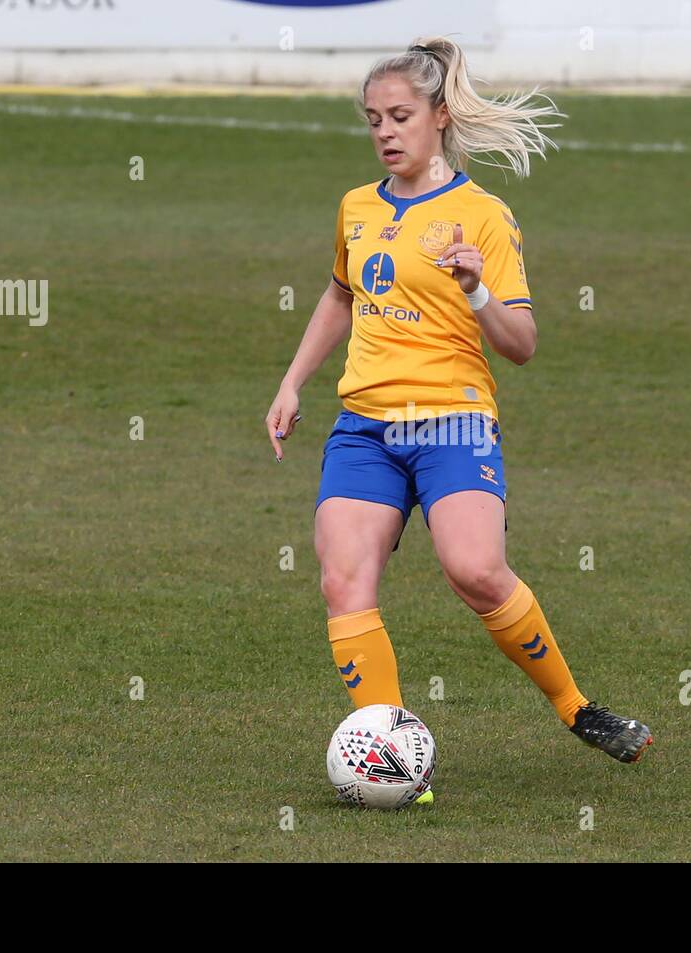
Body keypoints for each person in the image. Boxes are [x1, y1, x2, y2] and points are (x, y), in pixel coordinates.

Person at [265, 37, 652, 775]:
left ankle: (576, 707)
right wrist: (292, 381)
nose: (384, 131)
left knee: (475, 570)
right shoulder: (355, 208)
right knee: (343, 578)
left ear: (439, 117)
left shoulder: (483, 216)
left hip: (452, 421)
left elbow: (523, 343)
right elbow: (341, 292)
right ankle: (387, 754)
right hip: (366, 429)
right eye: (373, 118)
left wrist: (476, 288)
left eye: (400, 115)